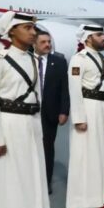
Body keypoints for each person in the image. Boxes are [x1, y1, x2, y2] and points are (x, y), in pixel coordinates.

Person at [0, 11, 53, 208]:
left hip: (31, 125)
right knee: (12, 184)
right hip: (9, 125)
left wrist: (38, 130)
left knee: (32, 179)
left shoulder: (32, 59)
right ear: (11, 31)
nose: (33, 32)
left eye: (33, 28)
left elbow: (36, 97)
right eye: (27, 28)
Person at [66, 24, 104, 208]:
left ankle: (100, 194)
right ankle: (82, 198)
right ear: (88, 38)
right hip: (87, 107)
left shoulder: (101, 58)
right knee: (85, 152)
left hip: (101, 106)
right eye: (99, 35)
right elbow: (74, 89)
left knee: (100, 150)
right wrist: (79, 118)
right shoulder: (78, 59)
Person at [33, 29, 70, 194]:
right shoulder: (26, 60)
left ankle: (46, 182)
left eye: (49, 42)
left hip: (49, 113)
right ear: (34, 43)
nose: (47, 45)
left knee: (47, 149)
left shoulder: (59, 62)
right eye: (43, 42)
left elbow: (64, 89)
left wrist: (64, 111)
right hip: (28, 113)